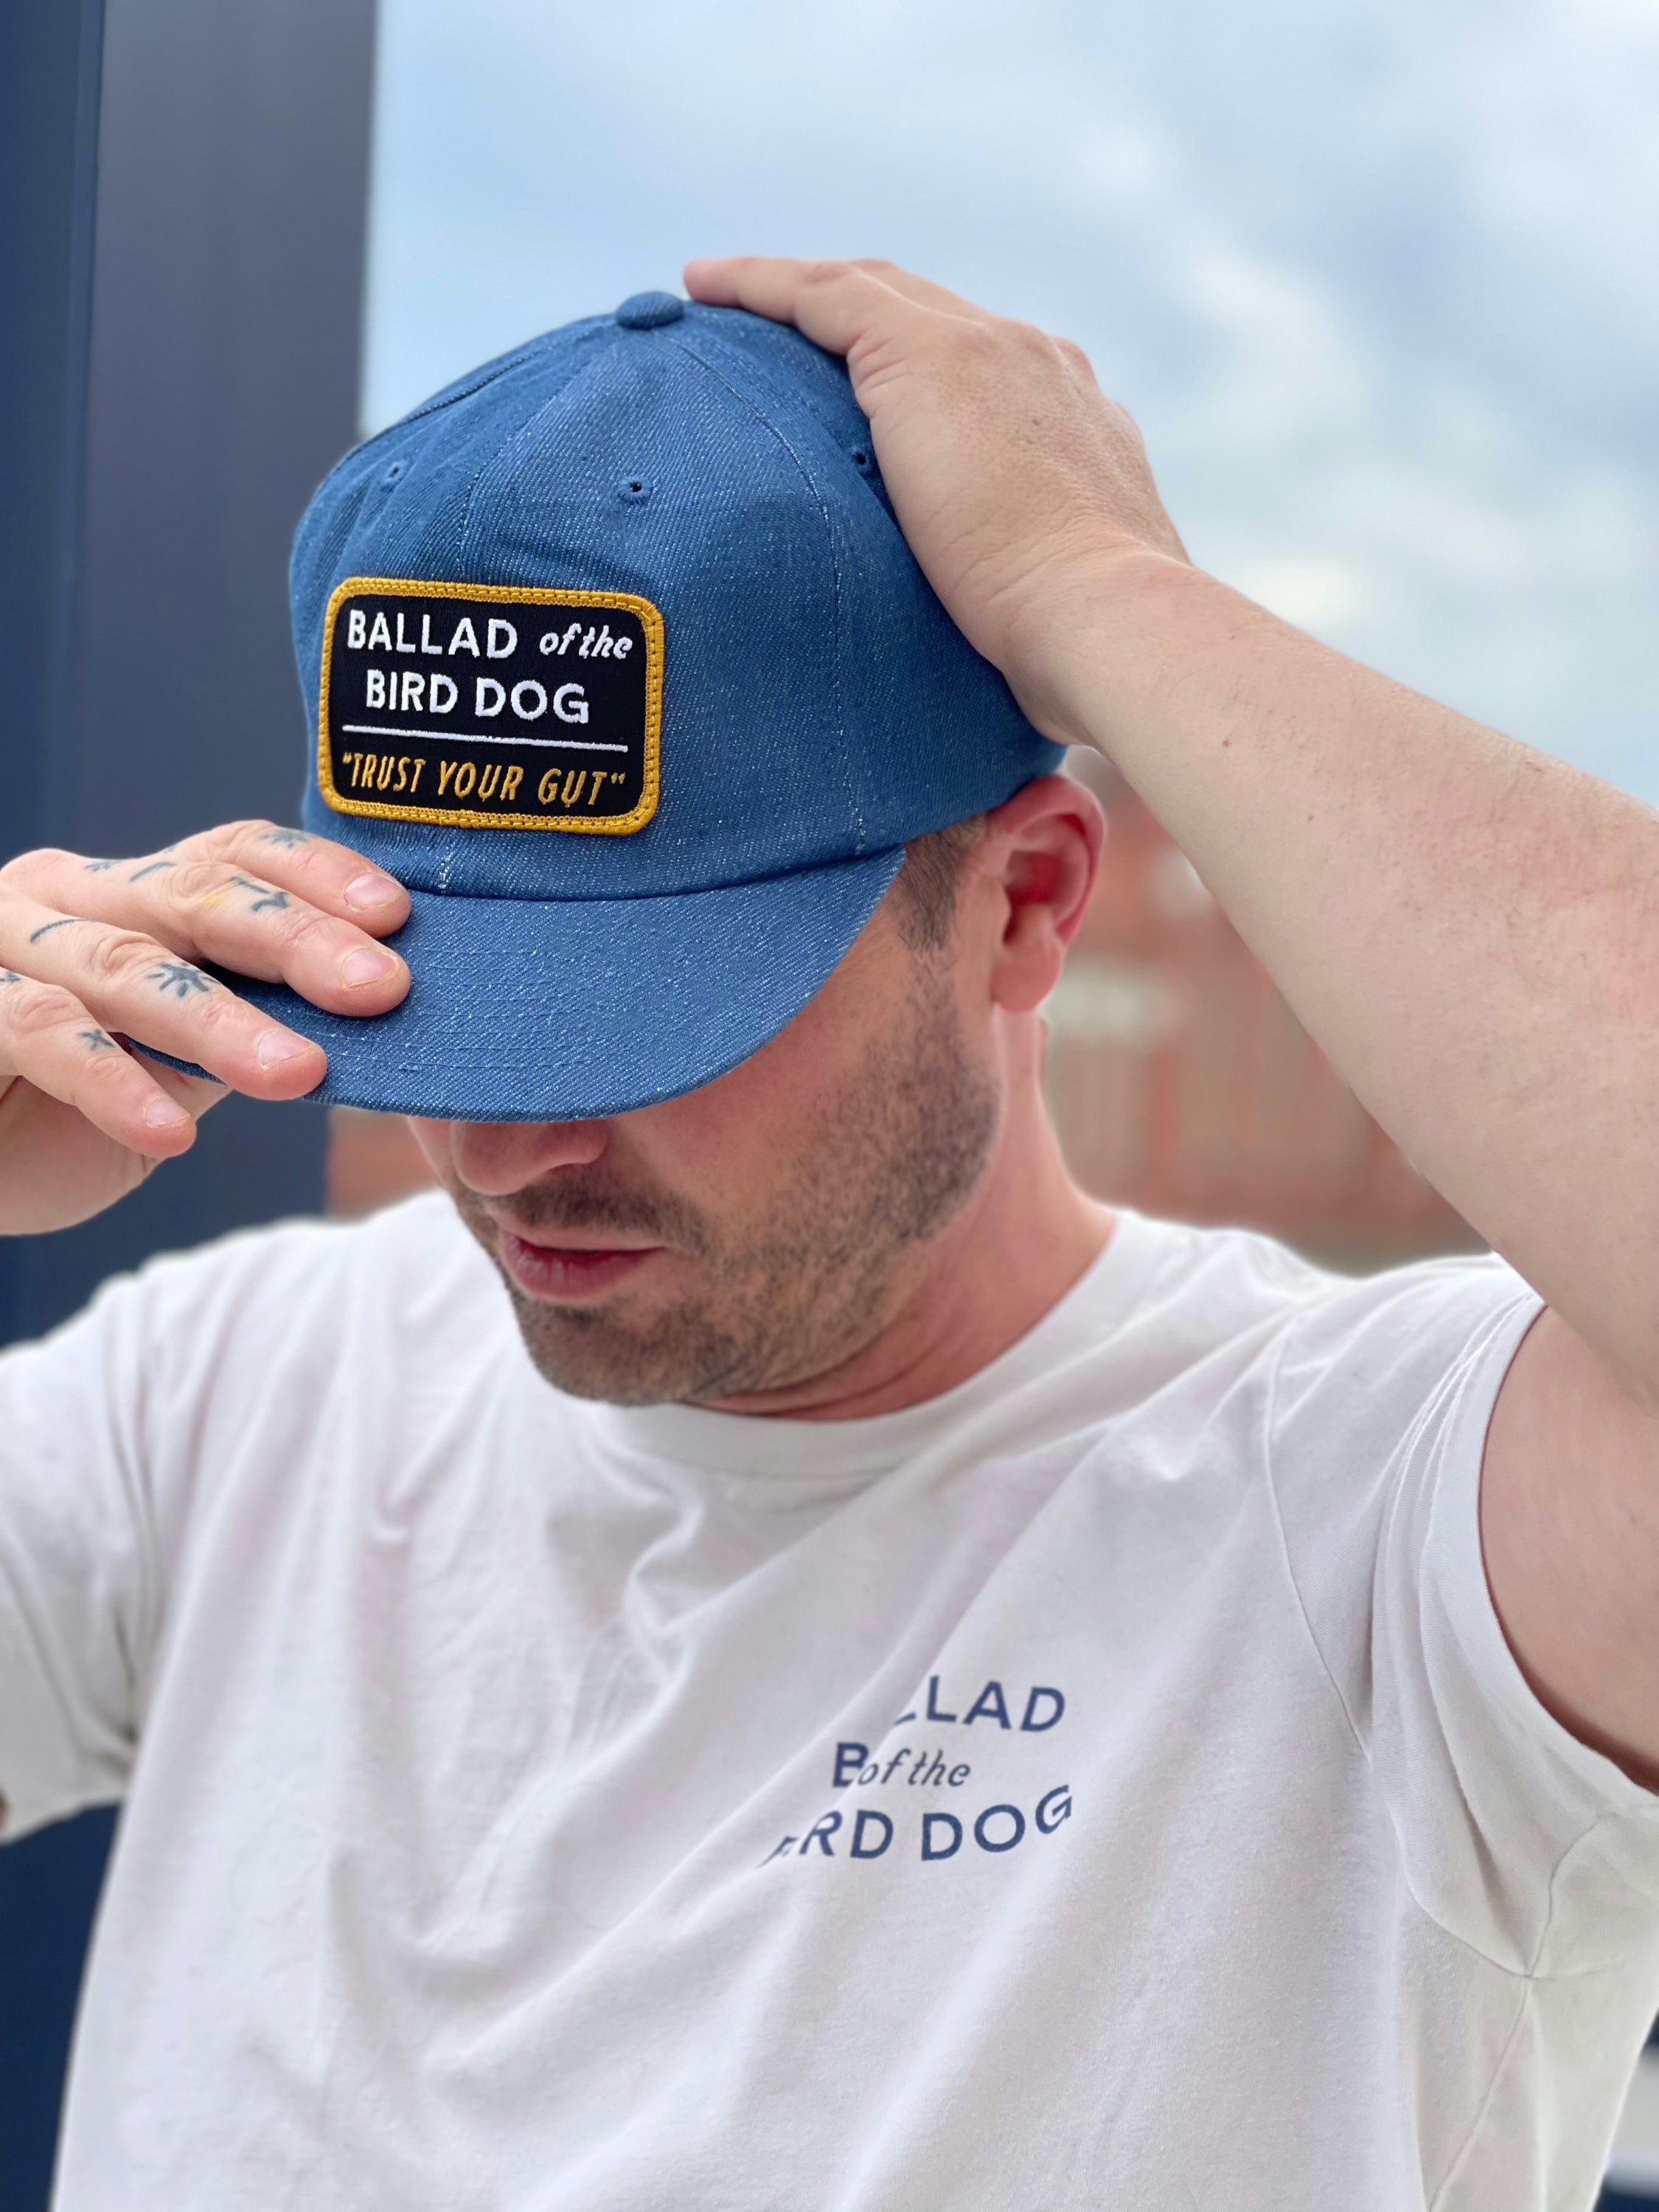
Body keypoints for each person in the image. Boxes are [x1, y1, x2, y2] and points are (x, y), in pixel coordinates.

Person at [1, 259, 1655, 2212]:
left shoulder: (1377, 1522)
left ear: (1026, 901)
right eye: (431, 996)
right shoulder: (231, 1398)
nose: (502, 1147)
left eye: (652, 1017)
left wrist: (1092, 587)